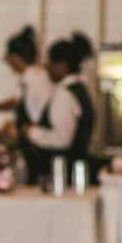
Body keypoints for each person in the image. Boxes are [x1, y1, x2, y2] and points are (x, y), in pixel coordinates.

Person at [21, 32, 95, 184]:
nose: (47, 67)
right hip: (77, 172)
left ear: (62, 65)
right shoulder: (82, 90)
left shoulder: (64, 95)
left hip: (63, 176)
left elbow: (62, 139)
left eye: (50, 62)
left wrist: (31, 132)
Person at [0, 26, 52, 184]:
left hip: (38, 148)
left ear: (14, 57)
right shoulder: (30, 79)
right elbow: (18, 102)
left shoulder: (37, 80)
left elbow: (41, 113)